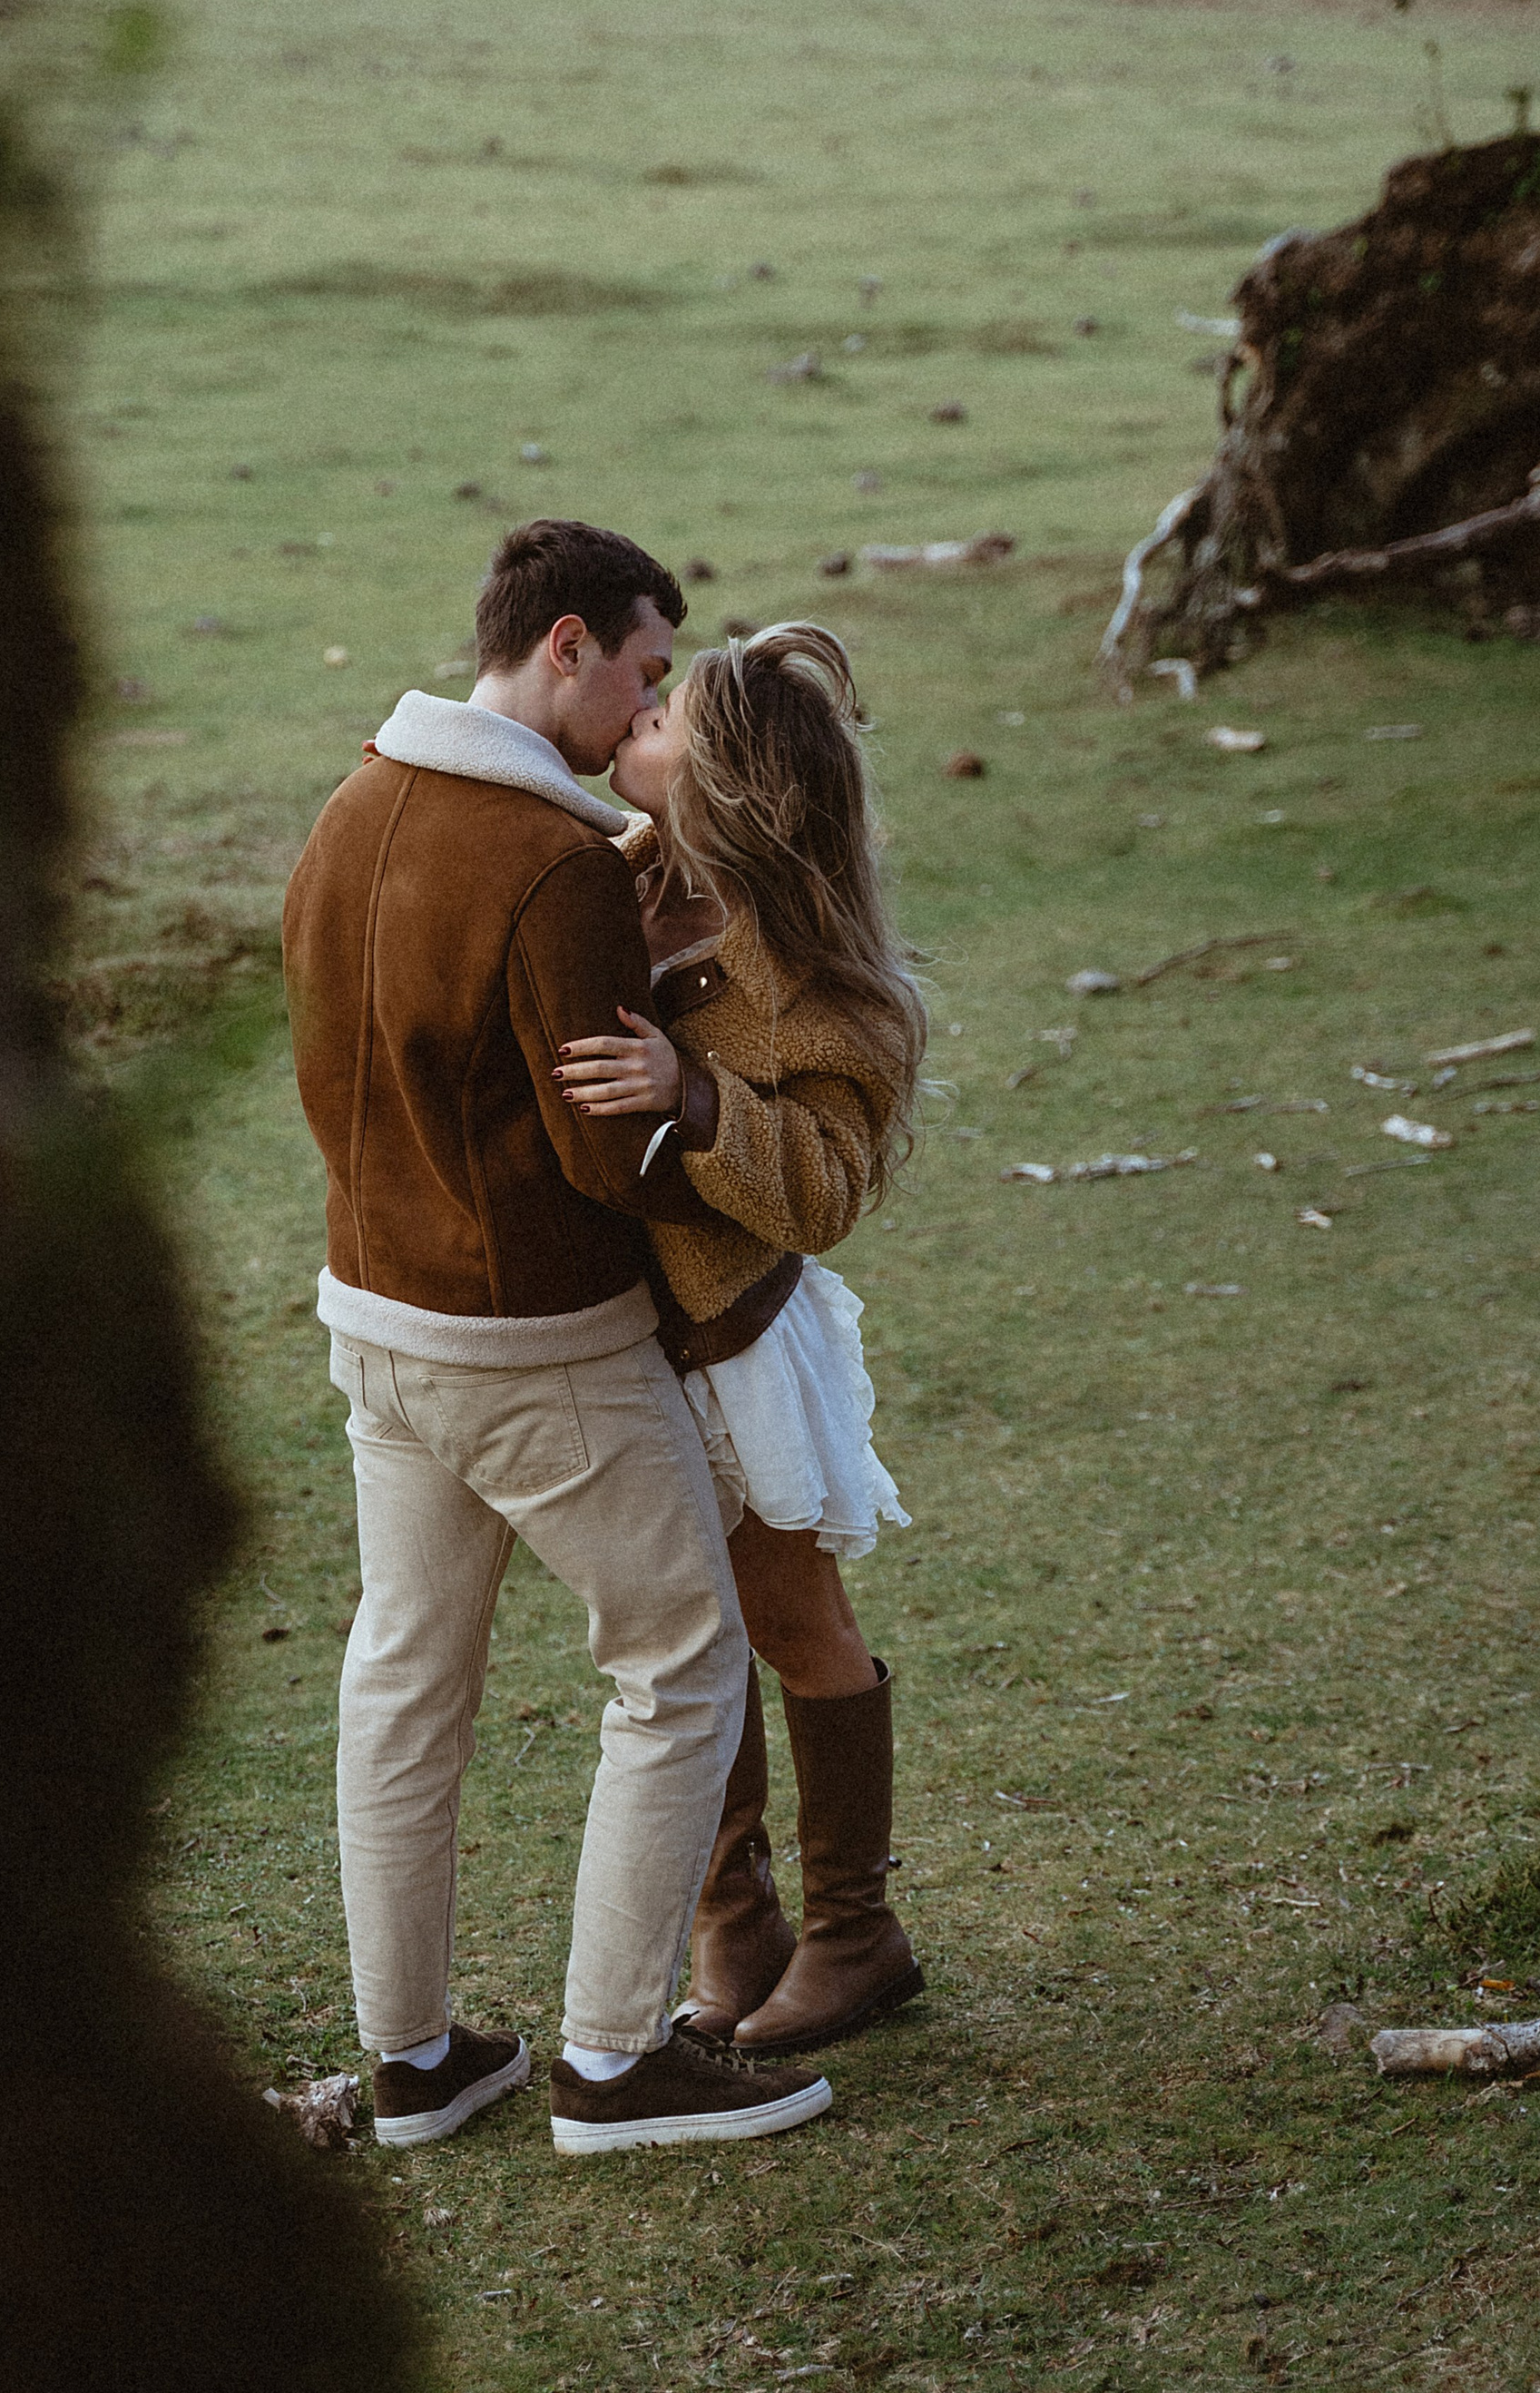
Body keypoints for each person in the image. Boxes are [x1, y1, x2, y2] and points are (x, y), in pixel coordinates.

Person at [282, 523, 836, 2154]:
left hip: (371, 1314)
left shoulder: (351, 809)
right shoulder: (547, 864)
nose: (651, 711)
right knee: (683, 1662)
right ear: (571, 646)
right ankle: (611, 2061)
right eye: (650, 674)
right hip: (533, 1340)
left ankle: (416, 2062)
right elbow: (609, 1157)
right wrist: (702, 1076)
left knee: (405, 1684)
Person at [555, 623, 928, 2054]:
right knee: (674, 1633)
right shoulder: (614, 877)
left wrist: (689, 1097)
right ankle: (738, 1926)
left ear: (724, 787)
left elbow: (824, 1191)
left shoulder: (821, 986)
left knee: (785, 1617)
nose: (633, 721)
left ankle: (854, 1933)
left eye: (663, 724)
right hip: (620, 1337)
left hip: (736, 1348)